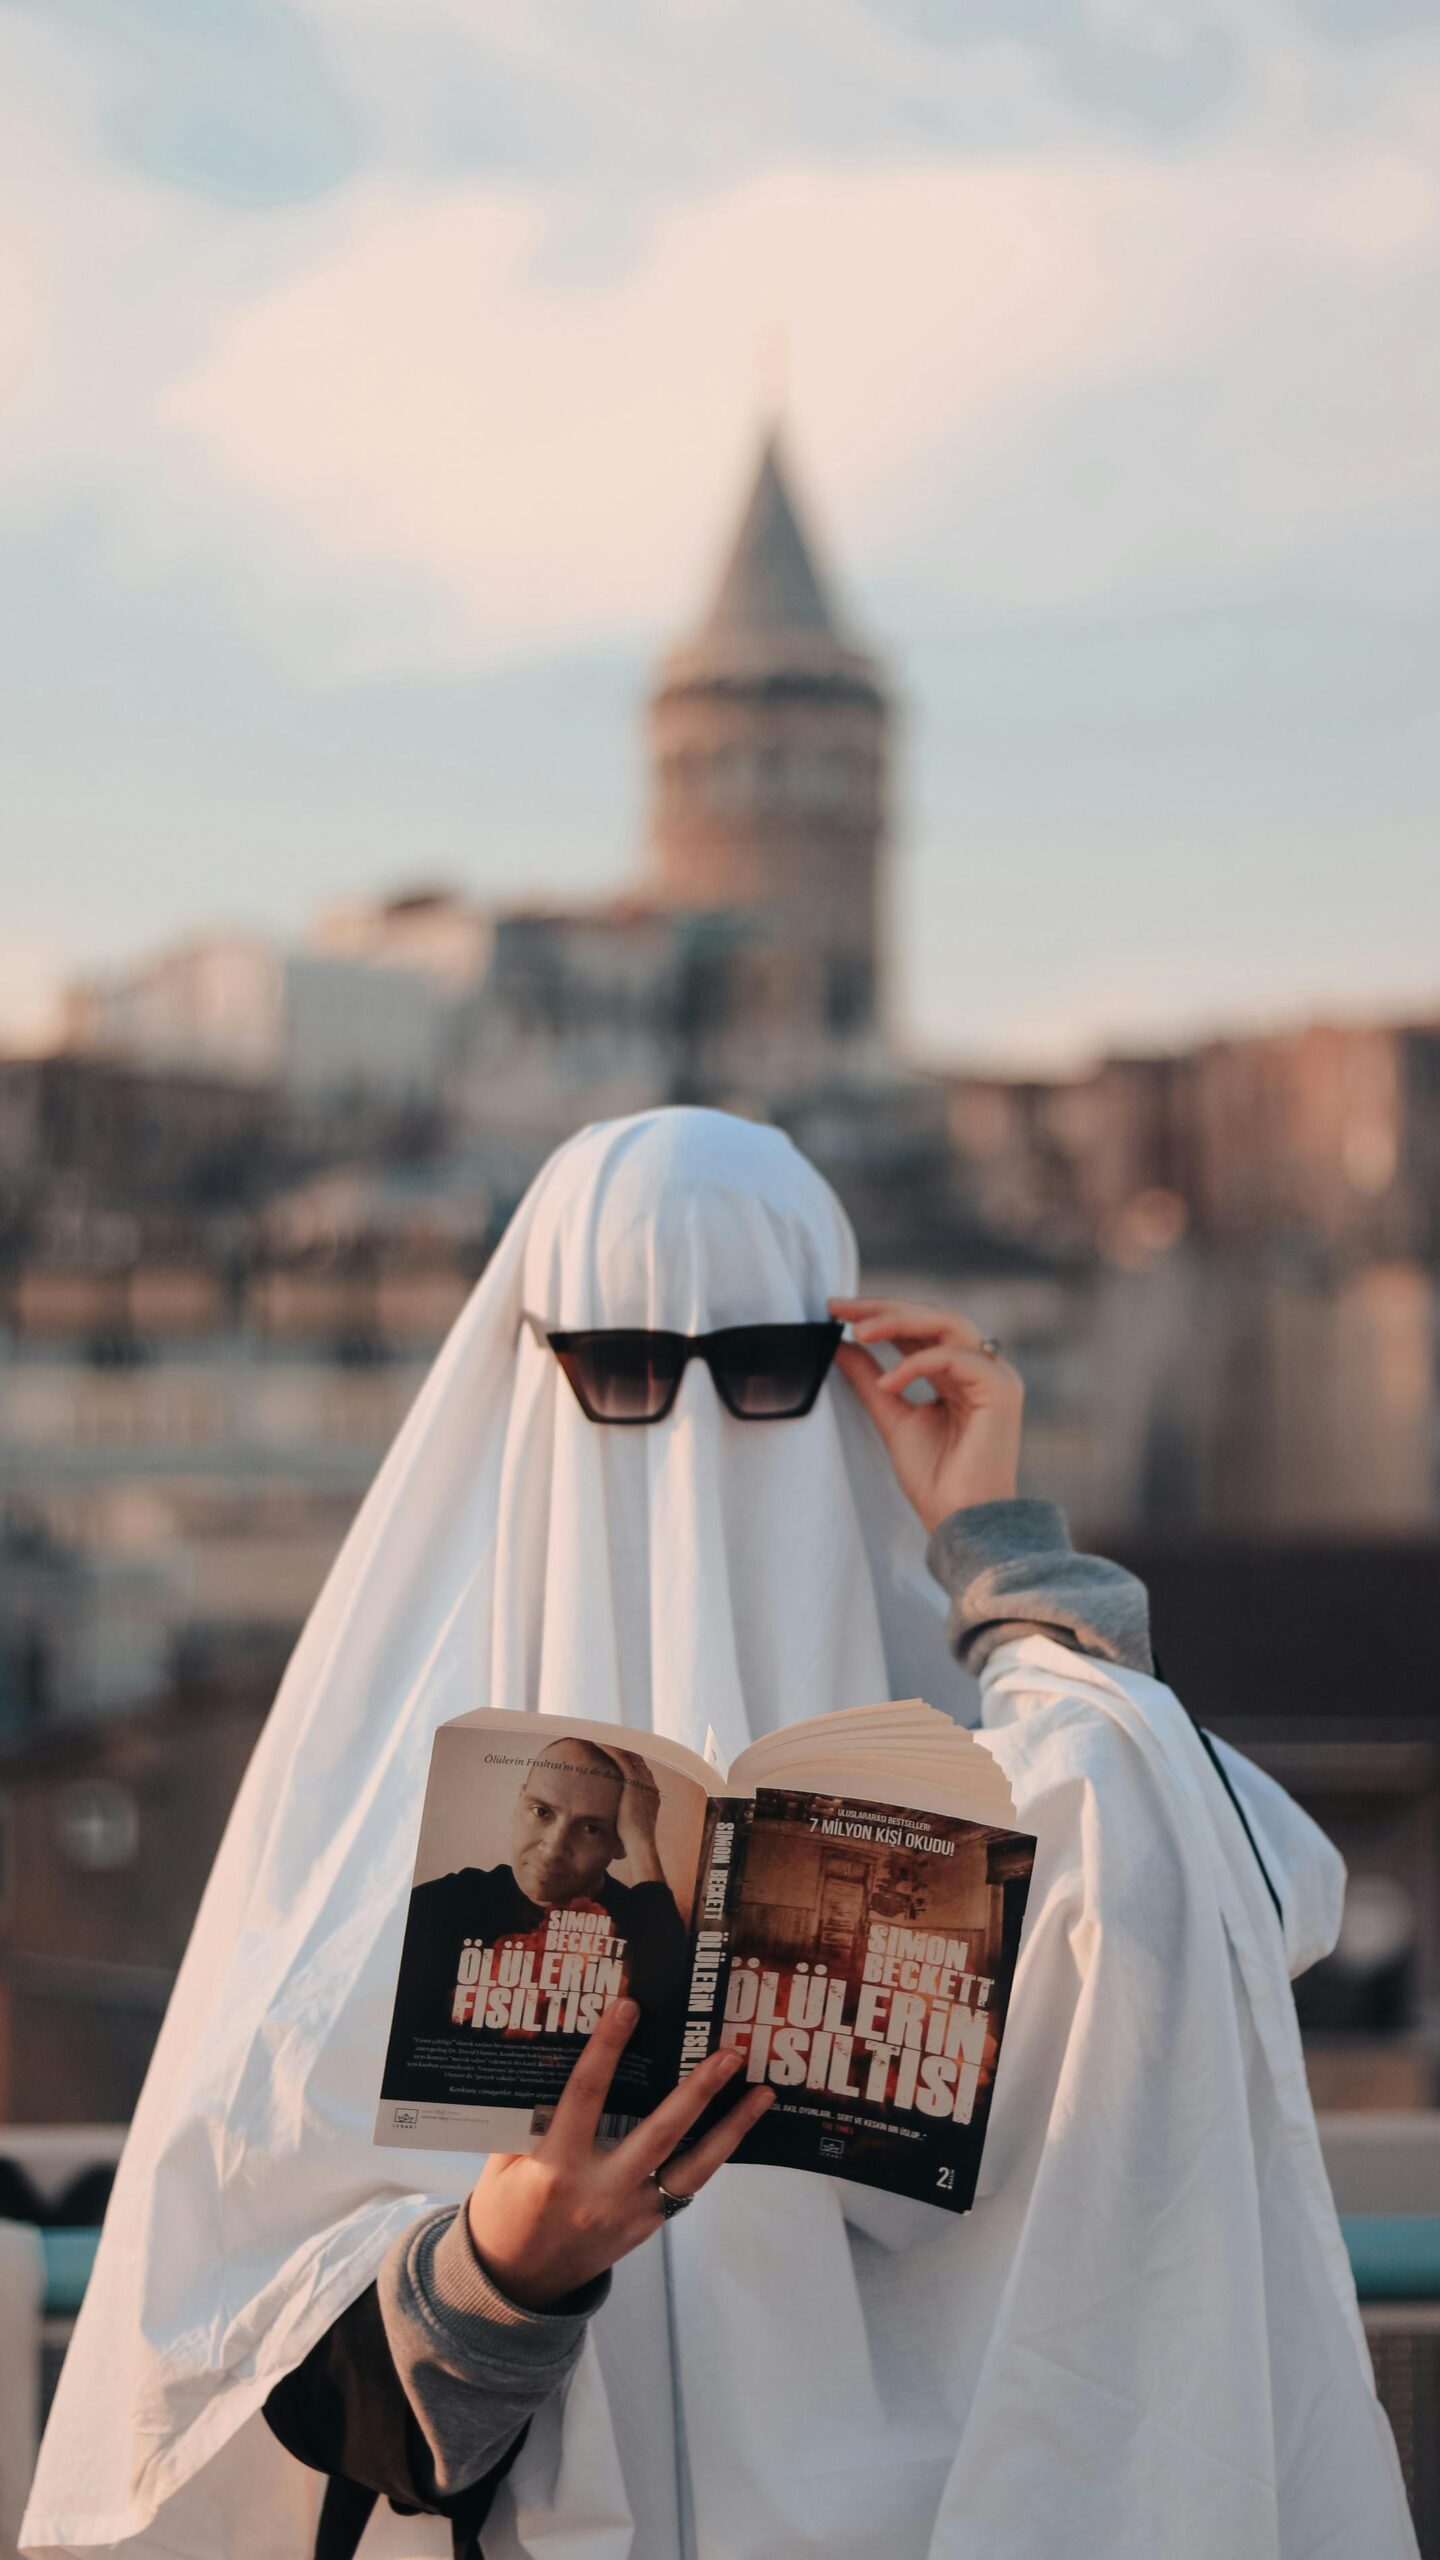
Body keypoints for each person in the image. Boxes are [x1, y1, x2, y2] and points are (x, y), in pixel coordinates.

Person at [23, 1107, 1418, 2560]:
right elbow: (237, 2371)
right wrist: (506, 2270)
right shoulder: (372, 1810)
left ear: (832, 1368)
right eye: (620, 1368)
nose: (689, 1443)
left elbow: (1207, 1913)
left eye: (757, 1369)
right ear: (534, 1367)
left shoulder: (1000, 1757)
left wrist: (1004, 1555)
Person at [383, 1738, 690, 2063]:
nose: (554, 1847)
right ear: (519, 1802)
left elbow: (664, 2040)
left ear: (621, 1841)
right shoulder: (437, 1905)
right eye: (541, 1812)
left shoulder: (648, 1924)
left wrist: (643, 1840)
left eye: (590, 1828)